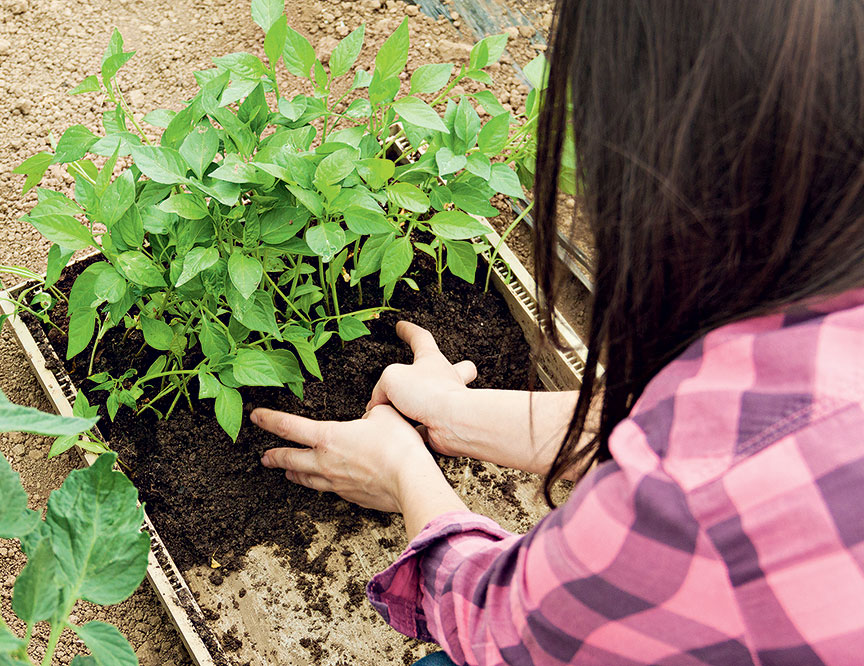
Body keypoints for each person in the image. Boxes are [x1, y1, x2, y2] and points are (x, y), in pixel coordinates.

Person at [252, 0, 864, 663]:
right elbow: (741, 424)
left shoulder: (690, 512)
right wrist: (454, 415)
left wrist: (403, 470)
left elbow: (504, 629)